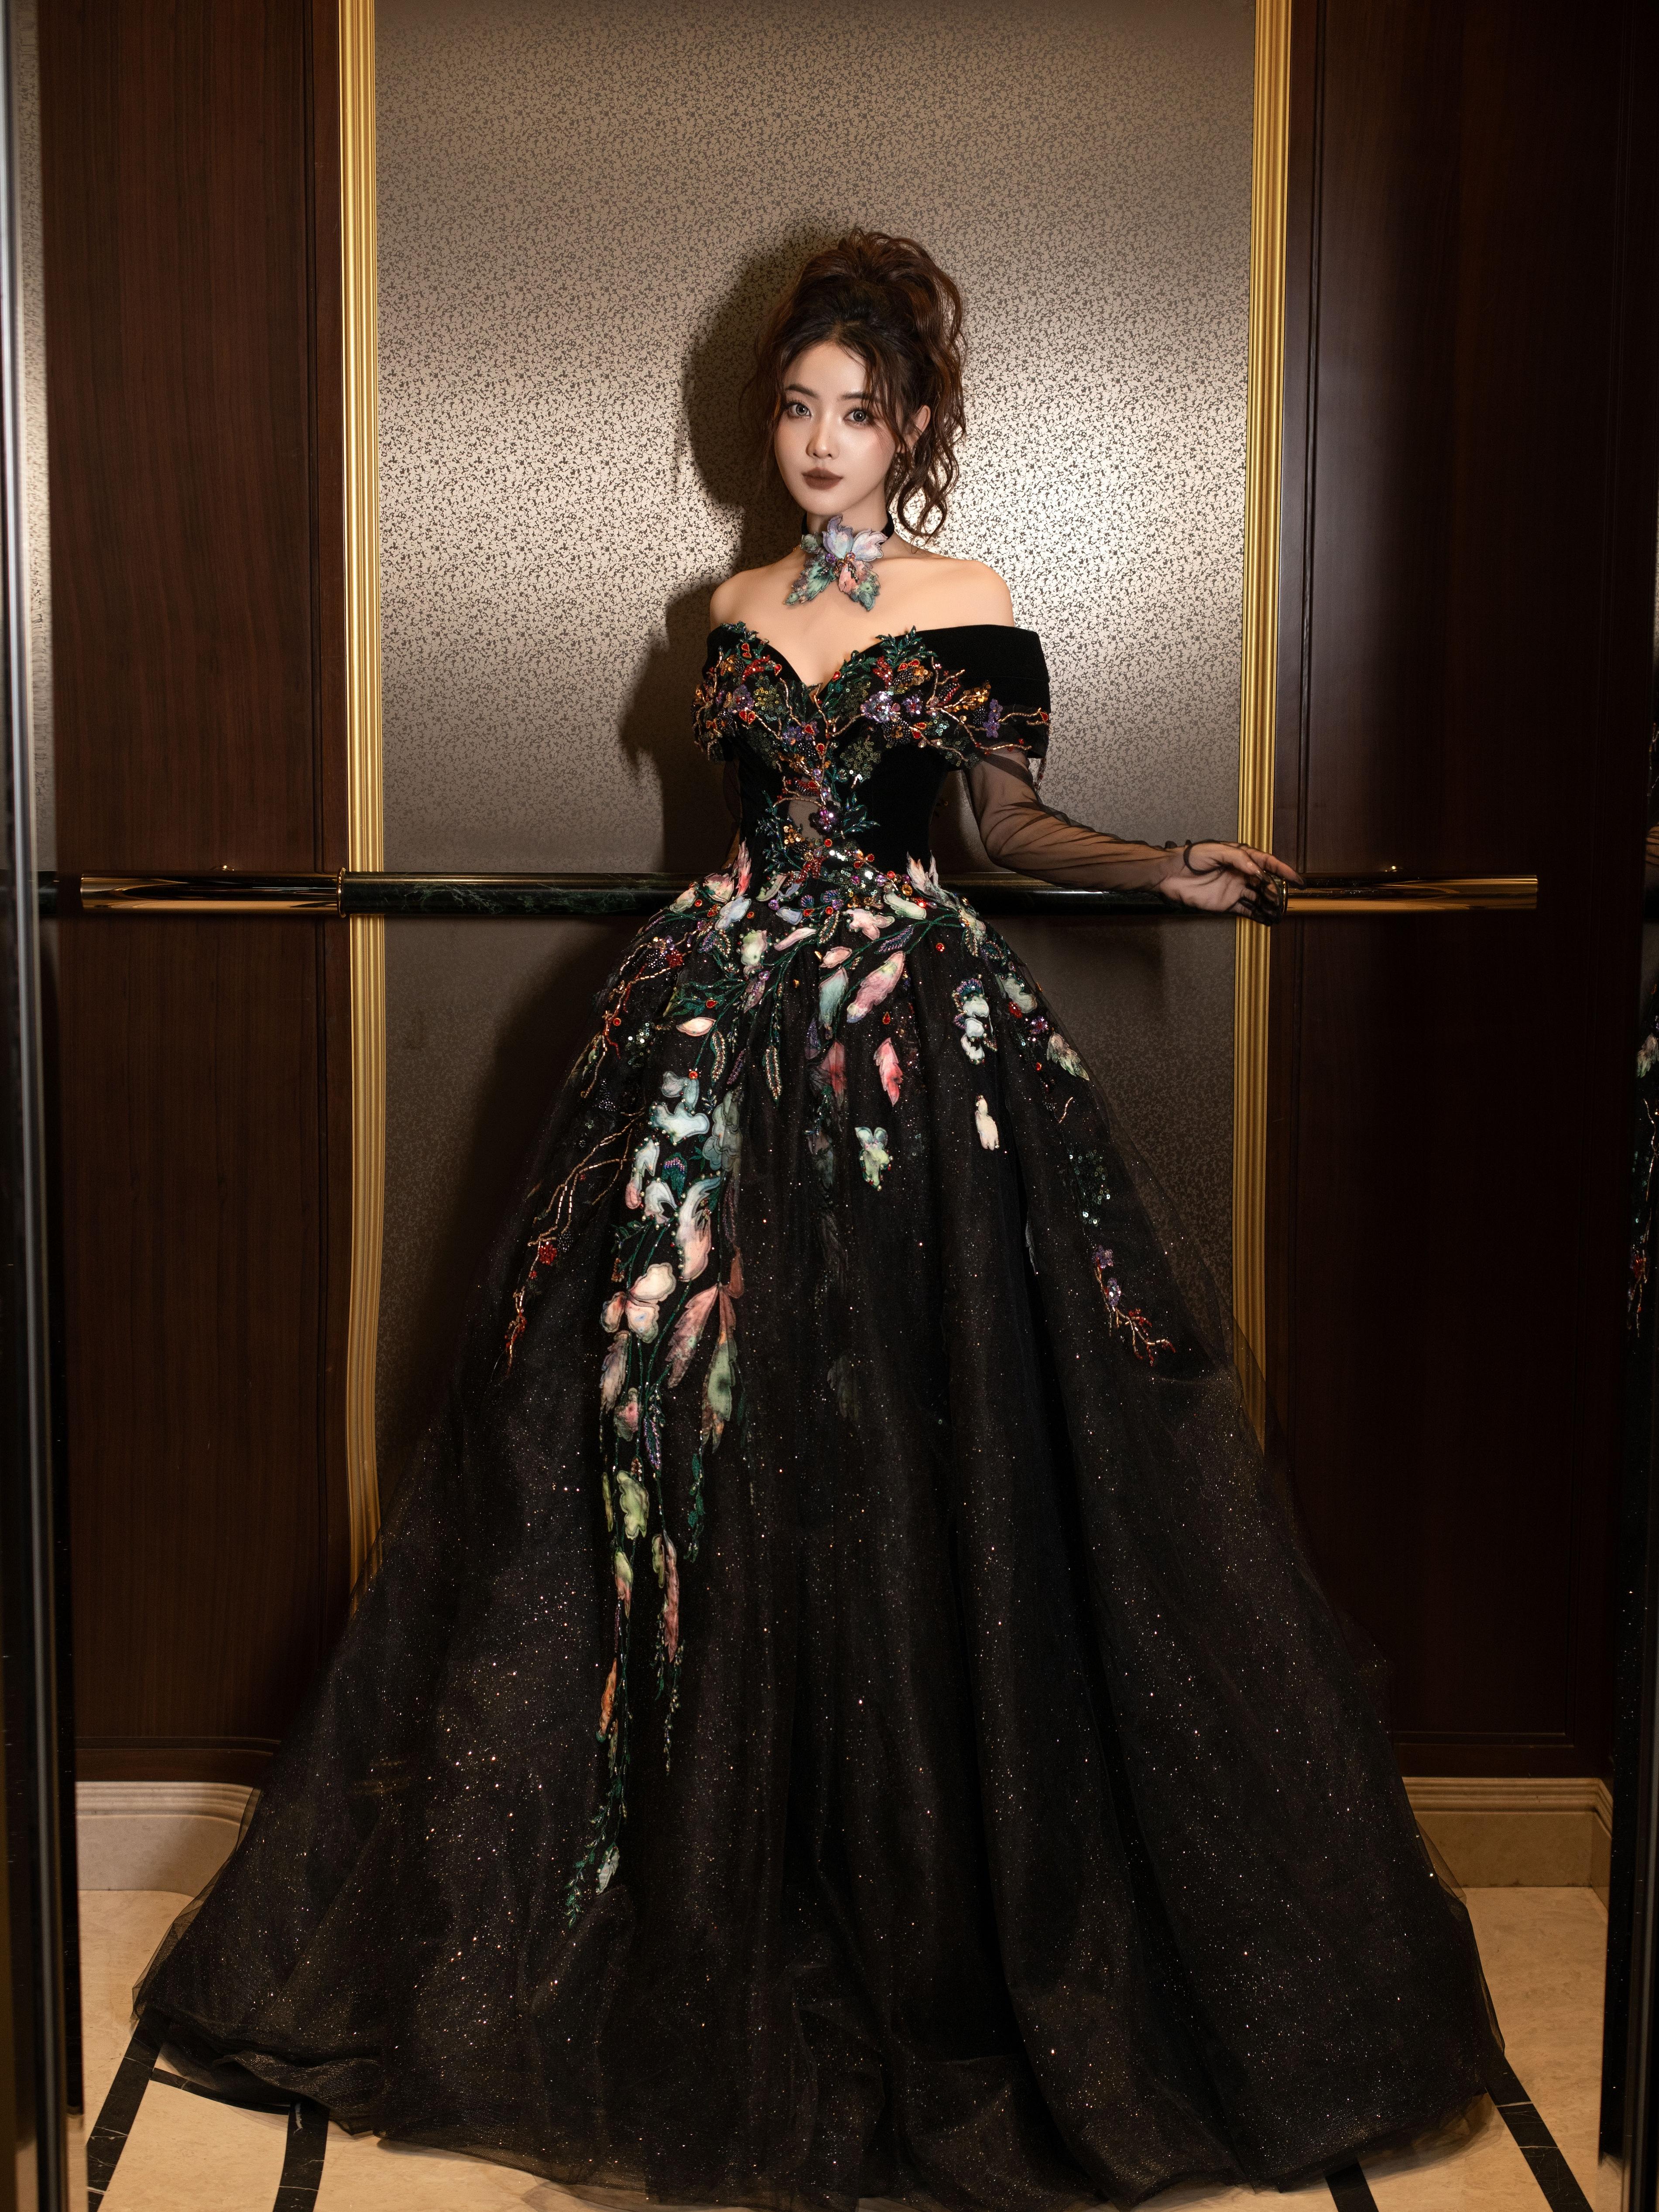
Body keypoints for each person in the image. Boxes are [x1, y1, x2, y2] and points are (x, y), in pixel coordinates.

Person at [137, 232, 1499, 2210]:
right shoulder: (724, 607)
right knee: (672, 1448)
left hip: (904, 1057)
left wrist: (1161, 867)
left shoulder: (973, 599)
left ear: (914, 426)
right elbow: (738, 833)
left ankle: (942, 1905)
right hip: (711, 1044)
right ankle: (688, 1891)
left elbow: (1002, 829)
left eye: (857, 411)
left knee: (931, 1451)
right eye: (796, 407)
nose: (819, 439)